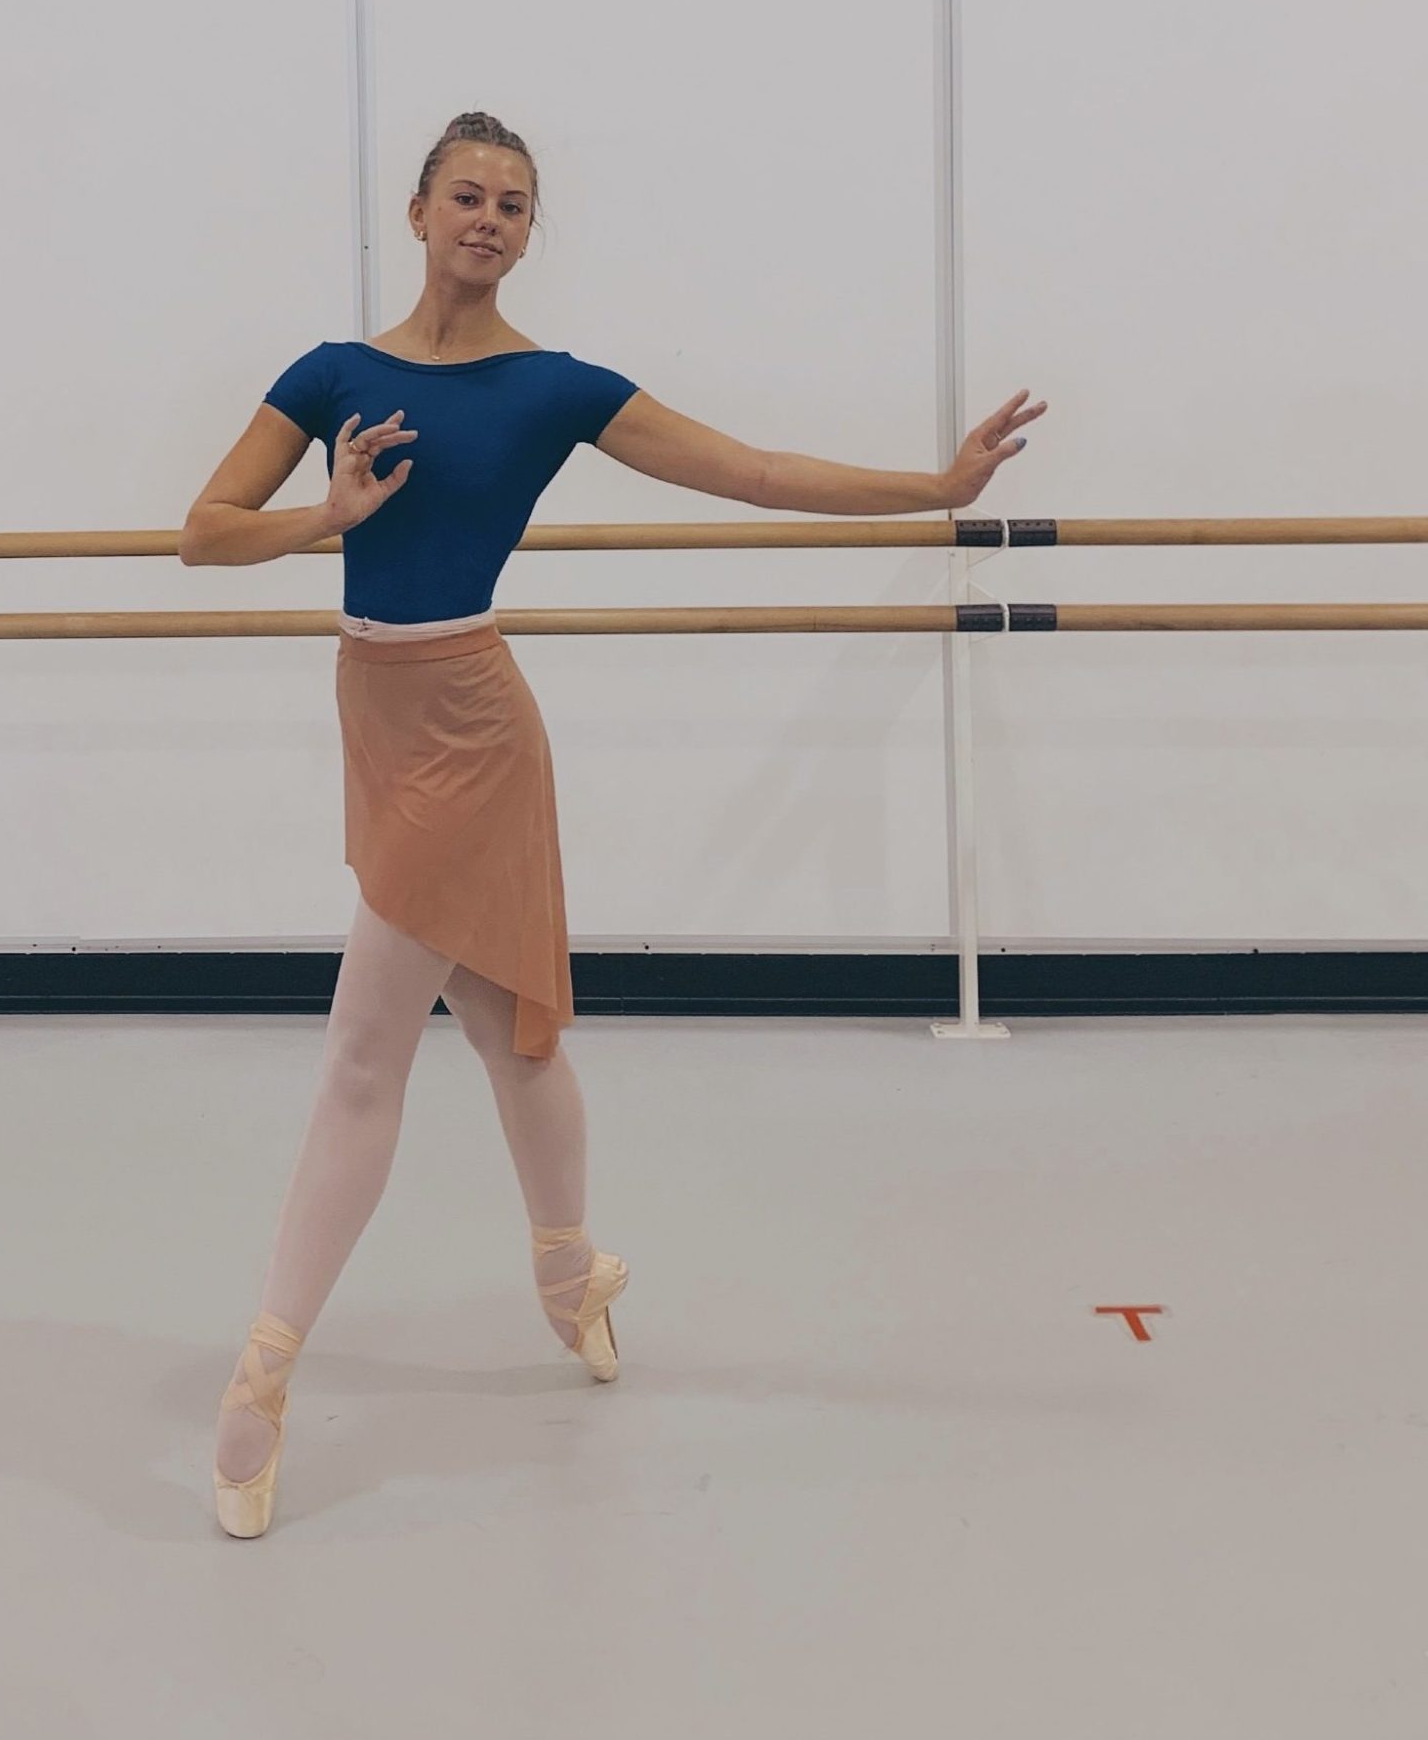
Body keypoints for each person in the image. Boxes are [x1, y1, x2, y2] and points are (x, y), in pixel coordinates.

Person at [181, 110, 1045, 1536]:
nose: (489, 220)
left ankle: (262, 1376)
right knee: (511, 1021)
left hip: (470, 724)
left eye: (514, 206)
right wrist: (323, 518)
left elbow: (755, 473)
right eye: (467, 195)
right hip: (375, 713)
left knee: (363, 1052)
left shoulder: (553, 389)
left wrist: (936, 491)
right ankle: (572, 1268)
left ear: (530, 235)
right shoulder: (329, 374)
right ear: (415, 211)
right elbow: (202, 529)